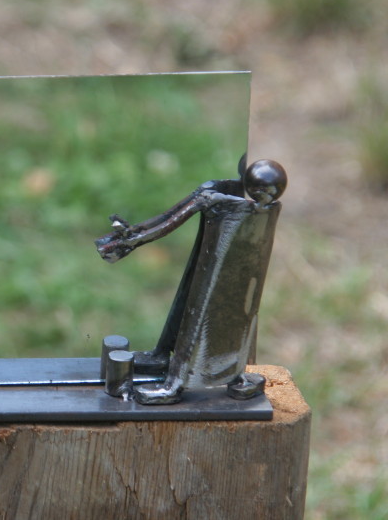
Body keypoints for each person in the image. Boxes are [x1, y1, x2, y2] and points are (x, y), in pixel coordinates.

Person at [95, 159, 287, 404]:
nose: (263, 198)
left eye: (268, 193)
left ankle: (178, 382)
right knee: (191, 299)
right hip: (221, 259)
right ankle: (166, 359)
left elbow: (172, 219)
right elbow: (172, 217)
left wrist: (133, 239)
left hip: (236, 273)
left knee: (206, 312)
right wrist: (133, 238)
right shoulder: (219, 196)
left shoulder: (240, 206)